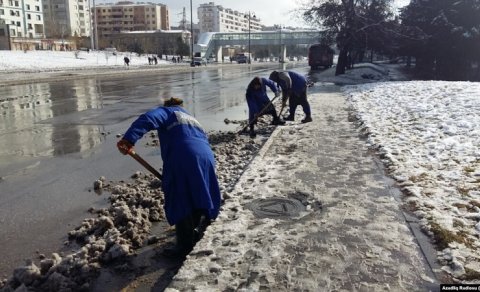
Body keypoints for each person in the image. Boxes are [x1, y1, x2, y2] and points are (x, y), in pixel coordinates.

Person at [117, 97, 221, 257]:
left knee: (180, 196)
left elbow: (148, 118)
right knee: (201, 190)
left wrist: (128, 139)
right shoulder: (191, 117)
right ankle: (202, 227)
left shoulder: (167, 111)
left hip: (182, 155)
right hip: (206, 156)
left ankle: (185, 246)